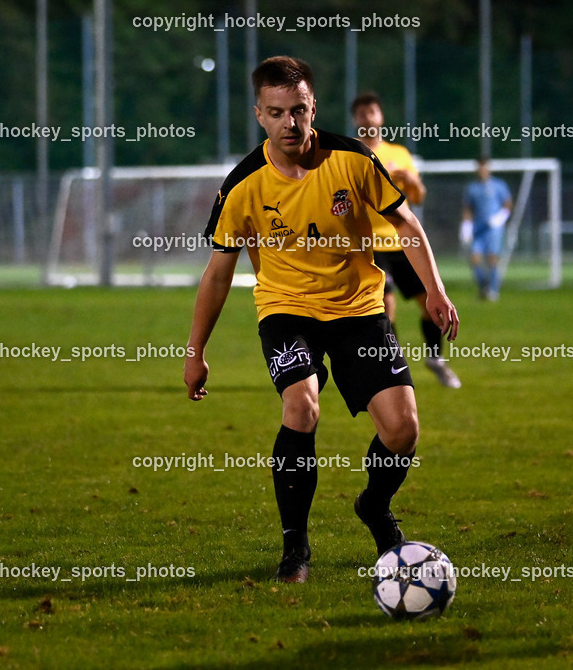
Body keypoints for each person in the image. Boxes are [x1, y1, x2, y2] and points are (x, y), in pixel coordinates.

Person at [184, 56, 459, 583]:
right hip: (287, 311)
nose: (291, 123)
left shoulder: (352, 160)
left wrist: (434, 291)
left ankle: (374, 507)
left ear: (314, 108)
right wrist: (195, 354)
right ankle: (295, 547)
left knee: (402, 431)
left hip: (359, 309)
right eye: (278, 112)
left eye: (300, 110)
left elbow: (406, 225)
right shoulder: (243, 184)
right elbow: (217, 275)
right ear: (259, 115)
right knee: (301, 404)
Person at [351, 92, 461, 388]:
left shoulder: (399, 153)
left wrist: (410, 180)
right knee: (385, 304)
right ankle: (393, 364)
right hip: (370, 245)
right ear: (355, 120)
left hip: (402, 241)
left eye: (372, 111)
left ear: (381, 116)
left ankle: (436, 358)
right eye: (361, 113)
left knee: (428, 304)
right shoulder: (351, 154)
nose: (367, 117)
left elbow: (418, 197)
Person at [461, 157, 512, 301]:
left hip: (493, 229)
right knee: (474, 258)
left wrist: (500, 218)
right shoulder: (472, 188)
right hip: (478, 228)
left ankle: (493, 290)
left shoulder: (498, 185)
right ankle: (484, 285)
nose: (482, 170)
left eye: (484, 167)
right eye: (479, 167)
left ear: (488, 168)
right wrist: (466, 226)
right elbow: (468, 208)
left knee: (492, 259)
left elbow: (508, 204)